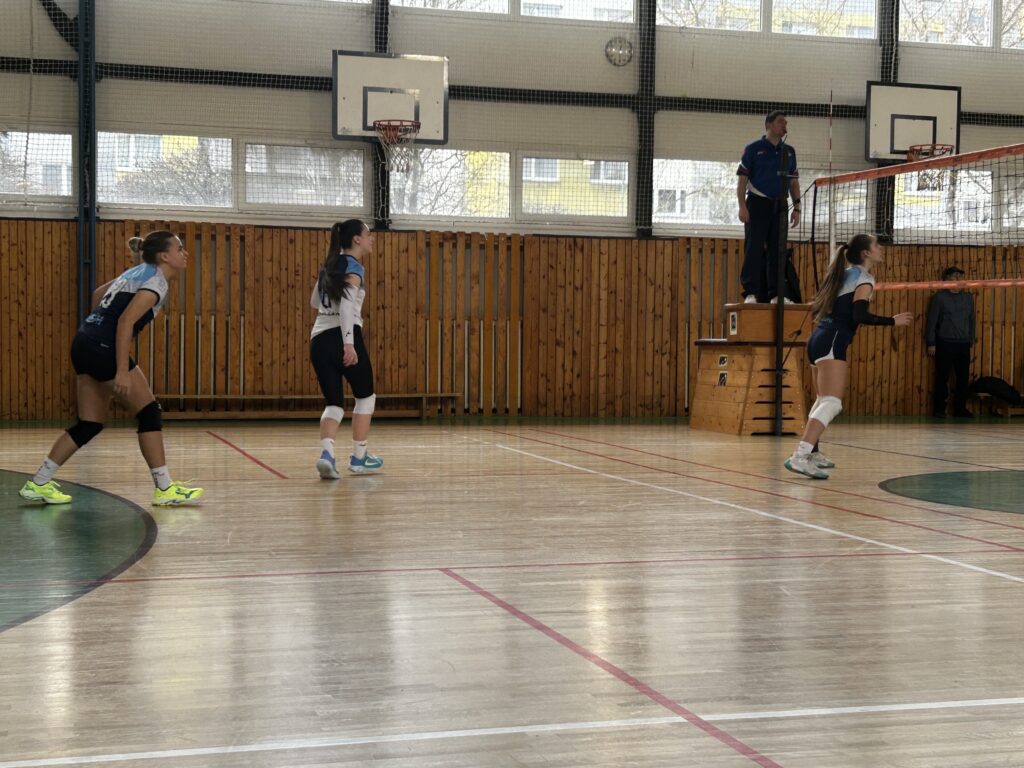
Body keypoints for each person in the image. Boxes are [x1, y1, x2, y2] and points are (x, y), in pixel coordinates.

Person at [20, 232, 204, 505]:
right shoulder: (156, 282)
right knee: (149, 412)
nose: (185, 253)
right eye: (180, 248)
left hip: (84, 341)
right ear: (165, 256)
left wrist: (100, 324)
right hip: (103, 347)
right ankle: (165, 489)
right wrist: (120, 371)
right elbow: (125, 323)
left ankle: (38, 483)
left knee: (90, 424)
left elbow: (97, 296)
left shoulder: (135, 273)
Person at [784, 234, 913, 479]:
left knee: (822, 400)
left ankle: (812, 453)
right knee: (832, 403)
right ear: (866, 253)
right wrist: (892, 321)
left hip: (818, 338)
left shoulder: (842, 274)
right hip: (833, 339)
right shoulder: (864, 278)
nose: (880, 248)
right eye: (876, 245)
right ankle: (800, 456)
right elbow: (859, 316)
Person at [310, 219, 384, 479]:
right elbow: (346, 307)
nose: (371, 239)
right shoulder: (354, 266)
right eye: (368, 234)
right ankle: (359, 457)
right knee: (365, 397)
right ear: (356, 239)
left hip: (318, 340)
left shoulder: (328, 265)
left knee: (334, 403)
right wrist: (349, 344)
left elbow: (314, 301)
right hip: (342, 335)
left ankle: (327, 455)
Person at [737, 111, 802, 303]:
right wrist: (742, 206)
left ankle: (776, 294)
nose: (784, 125)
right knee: (754, 248)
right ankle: (751, 292)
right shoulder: (753, 149)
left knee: (778, 250)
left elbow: (794, 183)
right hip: (757, 203)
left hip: (780, 205)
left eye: (786, 122)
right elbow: (742, 181)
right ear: (769, 125)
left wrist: (797, 207)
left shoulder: (789, 152)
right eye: (780, 122)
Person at [926, 266, 975, 418]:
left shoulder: (968, 297)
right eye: (954, 276)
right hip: (945, 343)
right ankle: (940, 409)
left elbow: (971, 319)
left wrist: (971, 338)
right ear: (947, 279)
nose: (958, 279)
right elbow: (932, 321)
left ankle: (960, 409)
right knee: (942, 377)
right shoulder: (939, 298)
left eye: (960, 276)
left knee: (963, 378)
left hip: (963, 343)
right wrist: (931, 342)